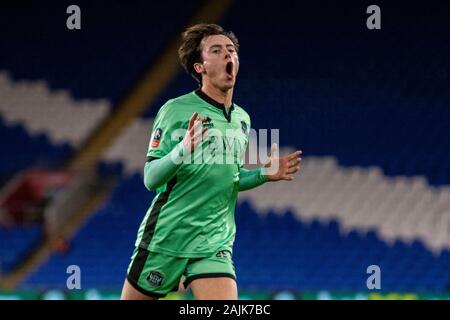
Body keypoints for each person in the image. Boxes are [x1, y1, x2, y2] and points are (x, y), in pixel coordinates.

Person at [121, 23, 302, 300]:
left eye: (231, 50)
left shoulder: (242, 118)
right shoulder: (175, 110)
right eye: (216, 51)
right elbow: (151, 178)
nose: (227, 55)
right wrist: (183, 148)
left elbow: (231, 178)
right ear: (199, 67)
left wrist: (263, 173)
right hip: (167, 239)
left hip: (214, 242)